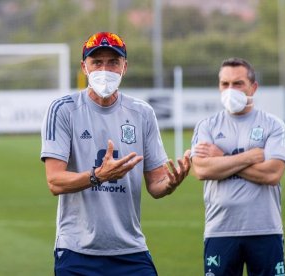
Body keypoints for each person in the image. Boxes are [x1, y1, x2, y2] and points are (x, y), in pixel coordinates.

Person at [40, 31, 191, 276]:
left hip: (130, 250)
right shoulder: (63, 110)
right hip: (77, 251)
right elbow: (54, 181)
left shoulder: (142, 113)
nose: (105, 69)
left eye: (113, 62)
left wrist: (171, 183)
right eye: (97, 62)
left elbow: (156, 184)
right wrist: (98, 175)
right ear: (84, 67)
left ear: (125, 67)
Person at [191, 57, 285, 276]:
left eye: (238, 84)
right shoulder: (206, 126)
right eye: (225, 84)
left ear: (253, 87)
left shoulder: (273, 125)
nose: (230, 90)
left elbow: (272, 173)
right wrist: (250, 157)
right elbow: (203, 170)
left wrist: (222, 158)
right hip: (220, 231)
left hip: (265, 229)